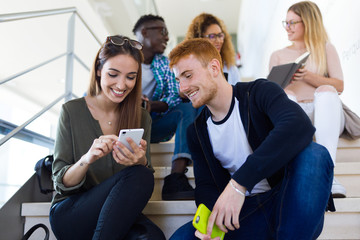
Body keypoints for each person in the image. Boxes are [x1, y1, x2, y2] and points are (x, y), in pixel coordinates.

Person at [168, 38, 333, 239]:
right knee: (181, 237)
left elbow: (297, 125)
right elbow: (206, 186)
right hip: (242, 215)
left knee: (315, 154)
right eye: (179, 80)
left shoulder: (258, 92)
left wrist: (239, 183)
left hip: (288, 204)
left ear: (213, 67)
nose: (183, 88)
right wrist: (212, 224)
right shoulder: (196, 131)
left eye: (188, 75)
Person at [49, 35, 165, 240]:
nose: (122, 85)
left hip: (115, 213)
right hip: (72, 213)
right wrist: (87, 158)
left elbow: (140, 184)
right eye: (113, 74)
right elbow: (61, 182)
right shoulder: (72, 111)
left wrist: (140, 161)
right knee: (140, 175)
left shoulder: (142, 117)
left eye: (130, 77)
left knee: (152, 236)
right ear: (99, 70)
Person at [269, 1, 346, 198]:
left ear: (308, 22)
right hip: (295, 113)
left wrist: (308, 76)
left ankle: (330, 174)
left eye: (292, 22)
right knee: (286, 96)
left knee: (327, 90)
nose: (287, 27)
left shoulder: (326, 48)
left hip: (325, 112)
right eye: (285, 23)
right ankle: (295, 174)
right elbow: (269, 93)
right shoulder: (278, 55)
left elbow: (340, 86)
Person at [132, 14, 196, 200]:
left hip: (152, 125)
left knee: (189, 107)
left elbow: (175, 96)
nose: (167, 37)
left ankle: (176, 177)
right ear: (144, 32)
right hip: (121, 125)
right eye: (163, 31)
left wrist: (151, 105)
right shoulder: (122, 58)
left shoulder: (165, 63)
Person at [185, 13, 241, 85]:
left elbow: (238, 95)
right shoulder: (189, 68)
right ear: (199, 40)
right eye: (212, 36)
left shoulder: (230, 68)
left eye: (220, 35)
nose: (218, 41)